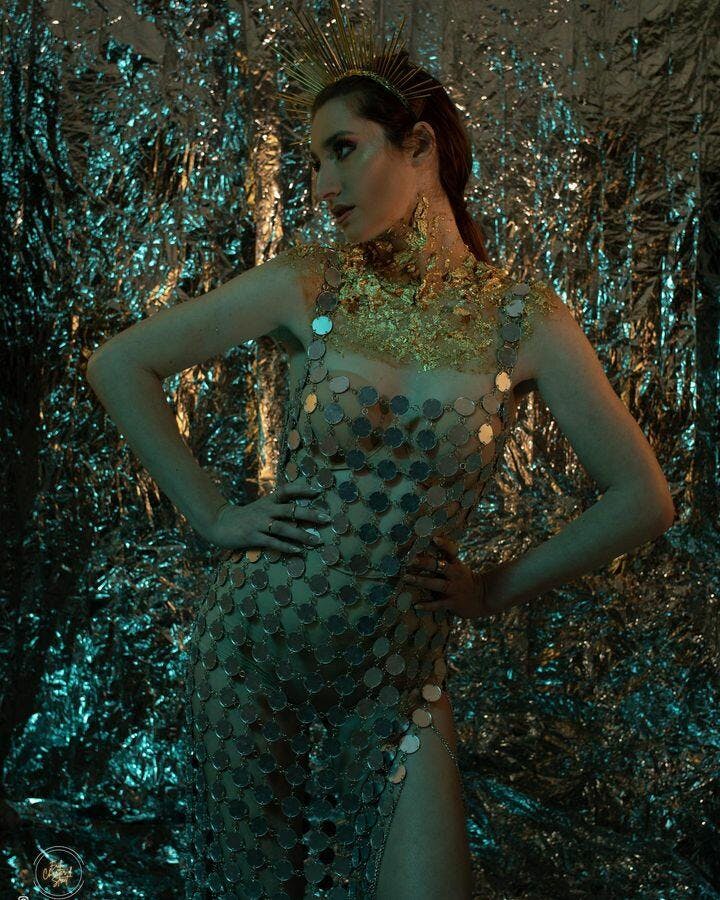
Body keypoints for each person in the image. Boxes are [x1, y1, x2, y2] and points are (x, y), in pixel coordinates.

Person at [86, 2, 675, 897]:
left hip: (396, 674)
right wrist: (214, 515)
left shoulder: (526, 321)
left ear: (420, 147)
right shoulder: (307, 282)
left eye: (343, 150)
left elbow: (643, 498)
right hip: (252, 651)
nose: (323, 185)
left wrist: (494, 590)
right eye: (312, 162)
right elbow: (119, 363)